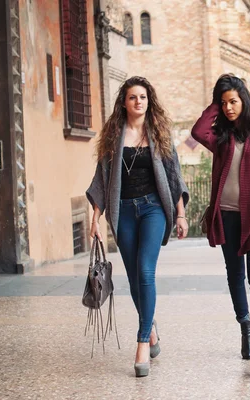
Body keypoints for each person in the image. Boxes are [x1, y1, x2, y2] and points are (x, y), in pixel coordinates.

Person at [86, 76, 189, 377]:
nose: (138, 102)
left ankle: (142, 340)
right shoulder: (113, 136)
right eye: (132, 97)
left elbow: (174, 176)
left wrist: (180, 214)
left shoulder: (159, 133)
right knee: (133, 279)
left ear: (149, 100)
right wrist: (95, 218)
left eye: (143, 97)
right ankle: (151, 325)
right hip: (124, 211)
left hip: (153, 208)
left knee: (145, 271)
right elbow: (101, 180)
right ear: (124, 102)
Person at [191, 74, 250, 371]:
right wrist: (215, 104)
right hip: (227, 217)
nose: (229, 108)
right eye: (224, 102)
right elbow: (197, 130)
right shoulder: (221, 137)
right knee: (234, 274)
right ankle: (245, 326)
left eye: (233, 102)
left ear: (245, 102)